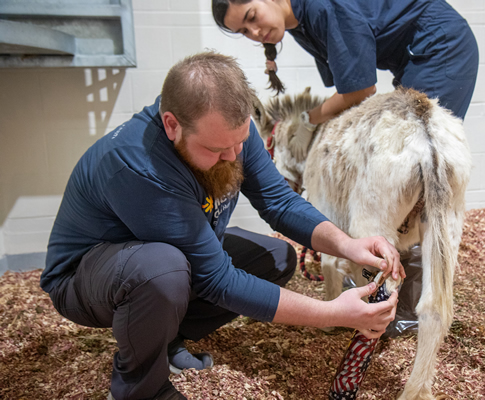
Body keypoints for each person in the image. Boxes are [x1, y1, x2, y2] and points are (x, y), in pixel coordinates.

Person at [40, 51, 403, 400]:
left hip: (157, 258)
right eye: (216, 149)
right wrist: (331, 313)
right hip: (86, 279)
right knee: (161, 270)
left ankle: (162, 336)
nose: (232, 157)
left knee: (276, 257)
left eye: (240, 142)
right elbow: (217, 281)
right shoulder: (139, 165)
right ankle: (138, 388)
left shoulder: (229, 135)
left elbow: (277, 201)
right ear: (171, 125)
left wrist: (348, 244)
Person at [212, 0, 479, 159]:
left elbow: (360, 90)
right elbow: (348, 90)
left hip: (440, 46)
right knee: (404, 151)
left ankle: (420, 248)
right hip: (412, 57)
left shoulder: (320, 7)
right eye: (244, 31)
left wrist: (306, 121)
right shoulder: (298, 23)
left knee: (416, 153)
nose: (255, 32)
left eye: (252, 17)